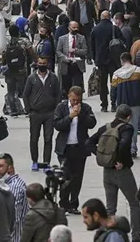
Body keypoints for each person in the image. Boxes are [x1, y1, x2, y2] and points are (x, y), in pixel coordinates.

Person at [87, 105, 140, 242]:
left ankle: (107, 234)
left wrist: (103, 157)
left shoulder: (106, 127)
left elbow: (89, 142)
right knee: (134, 202)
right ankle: (136, 234)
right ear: (128, 117)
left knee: (110, 206)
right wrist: (119, 160)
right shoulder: (127, 128)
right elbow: (124, 145)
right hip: (122, 171)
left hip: (107, 172)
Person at [53, 86, 97, 214]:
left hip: (79, 148)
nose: (75, 103)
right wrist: (70, 117)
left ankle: (73, 204)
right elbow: (57, 125)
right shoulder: (61, 108)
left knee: (77, 178)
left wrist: (80, 114)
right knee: (66, 177)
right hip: (64, 148)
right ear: (68, 96)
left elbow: (92, 123)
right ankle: (63, 203)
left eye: (78, 100)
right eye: (73, 100)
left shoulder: (86, 108)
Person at [23, 56, 62, 170]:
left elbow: (58, 94)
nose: (42, 65)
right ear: (37, 64)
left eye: (44, 63)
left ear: (48, 64)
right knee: (34, 138)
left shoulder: (53, 78)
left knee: (48, 138)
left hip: (49, 113)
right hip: (35, 113)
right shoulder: (31, 78)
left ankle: (46, 162)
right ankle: (34, 161)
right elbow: (25, 94)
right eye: (40, 63)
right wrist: (28, 109)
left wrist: (56, 109)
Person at [90, 10, 123, 112]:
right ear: (110, 17)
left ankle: (104, 105)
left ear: (100, 17)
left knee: (102, 84)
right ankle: (114, 104)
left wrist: (95, 58)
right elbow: (122, 42)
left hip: (101, 60)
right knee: (114, 83)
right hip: (114, 60)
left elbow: (92, 46)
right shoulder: (115, 28)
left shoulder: (95, 29)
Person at [111, 53, 140, 156]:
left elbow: (113, 89)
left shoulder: (116, 74)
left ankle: (125, 148)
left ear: (121, 61)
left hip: (122, 102)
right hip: (136, 102)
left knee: (122, 126)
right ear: (131, 59)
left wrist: (113, 102)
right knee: (133, 126)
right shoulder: (138, 70)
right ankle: (133, 148)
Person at [3, 24, 35, 116]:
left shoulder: (7, 43)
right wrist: (36, 61)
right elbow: (32, 53)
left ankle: (13, 110)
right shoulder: (24, 41)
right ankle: (27, 109)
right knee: (25, 90)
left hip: (10, 71)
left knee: (11, 91)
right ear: (19, 32)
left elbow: (4, 56)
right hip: (22, 70)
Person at [0, 153, 29, 242]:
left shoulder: (14, 188)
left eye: (1, 166)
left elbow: (13, 219)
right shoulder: (10, 183)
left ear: (10, 168)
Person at [56, 21, 88, 97]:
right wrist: (65, 58)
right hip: (66, 64)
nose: (75, 29)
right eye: (74, 27)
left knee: (78, 85)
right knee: (67, 84)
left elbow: (85, 50)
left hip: (77, 64)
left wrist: (76, 50)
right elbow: (58, 51)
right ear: (69, 28)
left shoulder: (82, 38)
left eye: (77, 27)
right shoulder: (62, 39)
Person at [67, 0, 97, 64]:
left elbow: (94, 14)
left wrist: (96, 22)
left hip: (87, 25)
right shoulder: (74, 4)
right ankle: (80, 56)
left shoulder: (90, 3)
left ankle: (89, 58)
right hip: (78, 26)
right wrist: (72, 25)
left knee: (89, 42)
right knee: (78, 42)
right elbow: (70, 15)